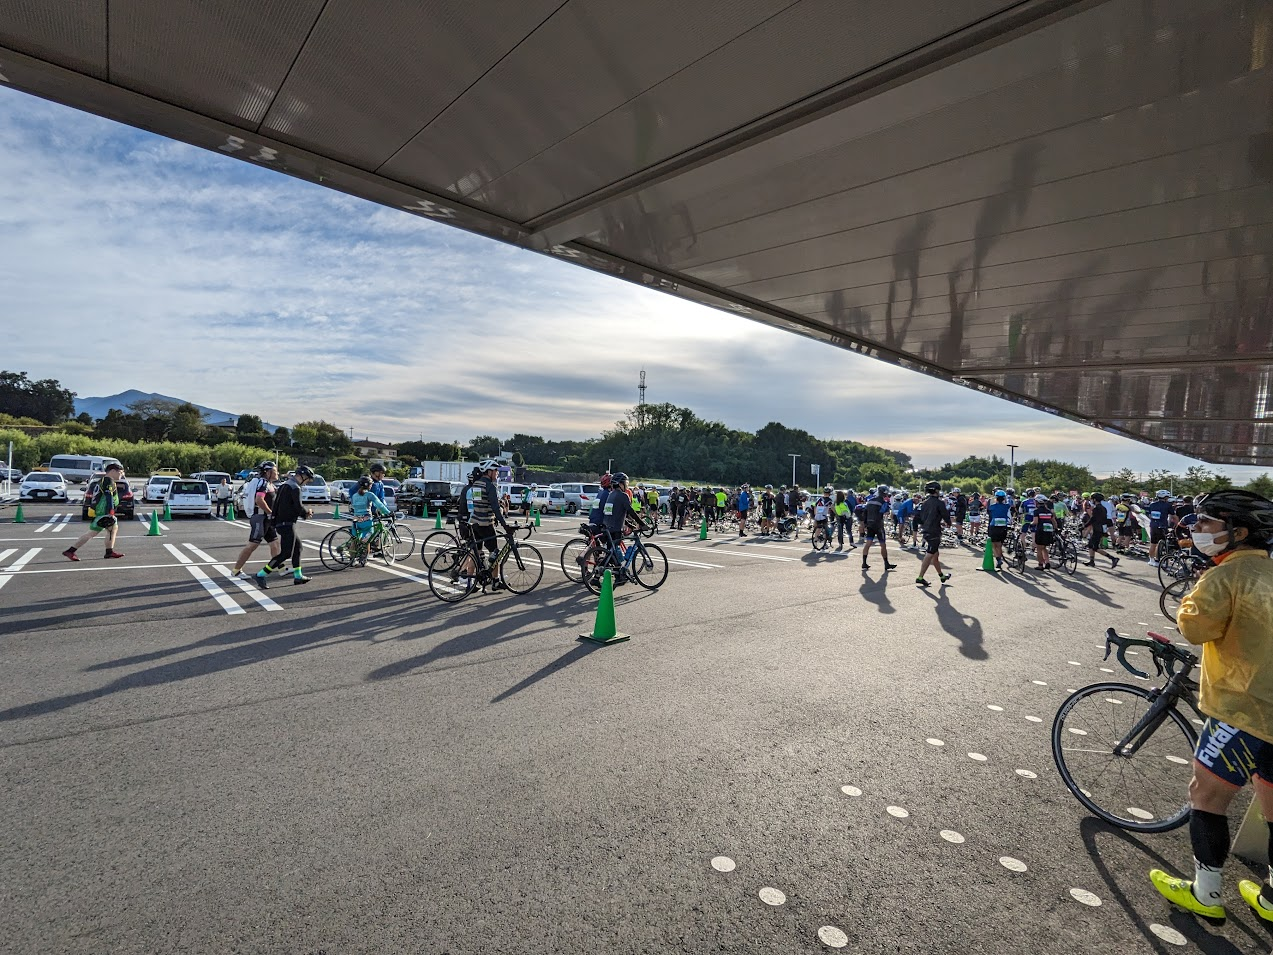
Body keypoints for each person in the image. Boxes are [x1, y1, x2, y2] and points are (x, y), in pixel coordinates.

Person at [1149, 490, 1273, 924]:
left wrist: (1194, 593)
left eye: (1207, 523)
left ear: (1237, 533)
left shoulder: (1226, 575)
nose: (1196, 529)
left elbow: (1195, 628)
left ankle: (1206, 891)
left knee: (1206, 797)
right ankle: (1271, 898)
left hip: (1243, 708)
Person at [252, 465, 315, 587]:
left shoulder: (285, 485)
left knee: (298, 548)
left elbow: (276, 504)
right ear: (302, 476)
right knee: (286, 553)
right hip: (287, 523)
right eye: (307, 479)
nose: (306, 482)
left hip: (280, 522)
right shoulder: (295, 488)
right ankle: (260, 575)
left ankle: (298, 576)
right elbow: (298, 508)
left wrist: (274, 519)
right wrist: (307, 513)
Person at [461, 459, 511, 586]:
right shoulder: (490, 486)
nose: (497, 474)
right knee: (495, 553)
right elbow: (495, 508)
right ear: (489, 471)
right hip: (486, 523)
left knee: (476, 553)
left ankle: (470, 583)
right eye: (495, 471)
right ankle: (495, 581)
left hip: (474, 522)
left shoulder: (476, 484)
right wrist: (505, 525)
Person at [62, 462, 126, 561]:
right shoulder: (108, 481)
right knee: (92, 533)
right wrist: (111, 512)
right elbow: (108, 496)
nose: (122, 475)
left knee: (112, 529)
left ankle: (109, 551)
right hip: (104, 512)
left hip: (101, 511)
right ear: (113, 471)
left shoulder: (102, 480)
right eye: (121, 472)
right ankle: (71, 551)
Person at [231, 461, 282, 577]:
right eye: (275, 470)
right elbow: (259, 500)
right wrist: (271, 512)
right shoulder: (263, 483)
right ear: (268, 472)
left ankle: (281, 568)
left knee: (275, 544)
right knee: (252, 545)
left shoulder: (269, 484)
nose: (277, 473)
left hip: (266, 519)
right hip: (260, 518)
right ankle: (236, 570)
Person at [915, 481, 951, 586]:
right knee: (930, 554)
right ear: (936, 490)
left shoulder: (924, 503)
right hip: (934, 531)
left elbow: (918, 517)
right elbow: (945, 516)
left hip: (926, 530)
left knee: (935, 555)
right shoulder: (939, 503)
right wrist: (948, 523)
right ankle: (920, 577)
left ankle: (942, 576)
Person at [860, 486, 897, 571]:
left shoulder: (870, 501)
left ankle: (864, 562)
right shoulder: (883, 502)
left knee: (868, 543)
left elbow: (864, 512)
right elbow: (885, 511)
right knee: (883, 544)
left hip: (869, 523)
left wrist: (865, 523)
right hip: (878, 524)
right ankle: (886, 563)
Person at [1082, 492, 1119, 568]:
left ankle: (1113, 558)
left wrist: (1084, 526)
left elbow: (1093, 519)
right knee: (1091, 545)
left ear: (1095, 499)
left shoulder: (1096, 508)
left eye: (1092, 499)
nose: (1091, 500)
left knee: (1095, 547)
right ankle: (1091, 561)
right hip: (1100, 529)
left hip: (1097, 529)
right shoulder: (1103, 508)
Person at [349, 475, 392, 542]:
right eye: (371, 485)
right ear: (368, 486)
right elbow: (380, 505)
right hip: (366, 521)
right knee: (368, 538)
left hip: (356, 520)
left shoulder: (354, 495)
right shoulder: (369, 495)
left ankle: (352, 550)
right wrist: (388, 512)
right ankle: (366, 550)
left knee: (356, 540)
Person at [1147, 489, 1174, 566]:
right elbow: (1174, 516)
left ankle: (1151, 560)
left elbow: (1150, 515)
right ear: (1165, 497)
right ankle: (1158, 560)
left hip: (1153, 525)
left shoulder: (1152, 504)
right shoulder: (1168, 505)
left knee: (1153, 543)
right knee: (1161, 544)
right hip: (1162, 526)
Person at [986, 488, 1011, 571]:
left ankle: (998, 559)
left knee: (993, 544)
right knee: (999, 544)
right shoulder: (1006, 506)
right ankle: (999, 559)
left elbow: (989, 511)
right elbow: (1010, 504)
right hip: (1003, 526)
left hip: (994, 525)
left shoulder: (992, 507)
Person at [1033, 492, 1056, 570]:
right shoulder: (1048, 511)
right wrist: (1055, 528)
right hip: (1049, 530)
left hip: (1040, 530)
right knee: (1044, 547)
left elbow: (1035, 522)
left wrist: (1030, 523)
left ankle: (1040, 565)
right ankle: (1047, 562)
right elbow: (1053, 521)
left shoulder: (1037, 511)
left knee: (1039, 548)